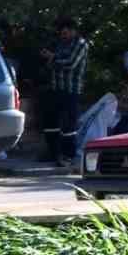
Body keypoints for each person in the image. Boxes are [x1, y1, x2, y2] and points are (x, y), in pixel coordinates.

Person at [39, 16, 90, 166]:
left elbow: (71, 63)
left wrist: (52, 58)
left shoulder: (81, 44)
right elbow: (51, 65)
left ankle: (69, 155)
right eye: (61, 33)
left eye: (65, 33)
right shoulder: (60, 43)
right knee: (51, 122)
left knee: (69, 124)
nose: (63, 35)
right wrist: (50, 59)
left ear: (73, 31)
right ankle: (53, 153)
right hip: (56, 89)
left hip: (71, 90)